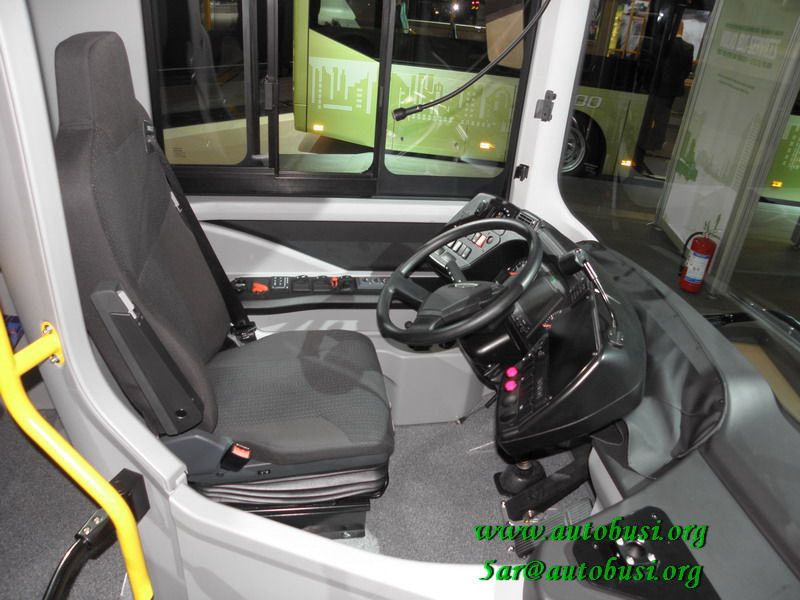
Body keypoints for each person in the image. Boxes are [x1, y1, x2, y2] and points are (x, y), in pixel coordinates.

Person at [643, 21, 695, 152]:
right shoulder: (689, 47)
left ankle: (647, 141)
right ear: (682, 29)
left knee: (651, 114)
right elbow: (687, 69)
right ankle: (657, 142)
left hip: (658, 86)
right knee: (663, 115)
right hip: (673, 89)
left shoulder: (662, 45)